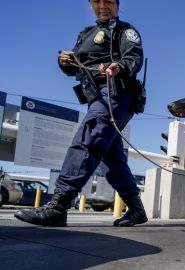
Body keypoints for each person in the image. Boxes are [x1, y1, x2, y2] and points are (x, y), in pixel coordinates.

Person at [14, 0, 147, 227]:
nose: (102, 6)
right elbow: (75, 67)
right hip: (97, 96)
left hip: (116, 94)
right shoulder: (86, 33)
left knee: (88, 139)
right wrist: (65, 62)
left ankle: (58, 206)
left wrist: (119, 67)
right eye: (97, 1)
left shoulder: (126, 30)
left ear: (117, 4)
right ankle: (136, 209)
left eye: (108, 1)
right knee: (111, 156)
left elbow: (133, 59)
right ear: (90, 4)